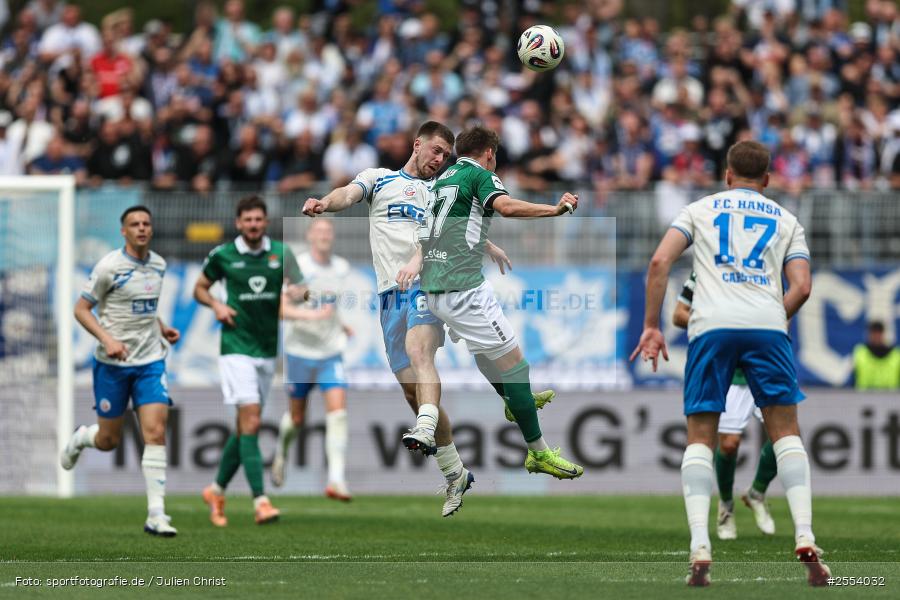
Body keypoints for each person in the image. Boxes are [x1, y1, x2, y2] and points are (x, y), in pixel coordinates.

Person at [301, 121, 550, 517]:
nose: (439, 160)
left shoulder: (440, 189)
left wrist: (487, 245)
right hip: (388, 296)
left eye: (445, 155)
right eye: (434, 150)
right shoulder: (380, 180)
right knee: (411, 391)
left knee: (422, 355)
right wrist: (323, 203)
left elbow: (452, 228)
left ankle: (426, 425)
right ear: (417, 145)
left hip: (427, 285)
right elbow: (347, 194)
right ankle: (454, 471)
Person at [630, 140, 830, 586]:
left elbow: (661, 259)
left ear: (726, 175)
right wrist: (775, 316)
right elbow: (802, 285)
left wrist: (651, 326)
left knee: (700, 438)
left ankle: (701, 543)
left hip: (711, 326)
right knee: (785, 433)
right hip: (766, 325)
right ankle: (804, 533)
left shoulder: (700, 209)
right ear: (767, 180)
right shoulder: (787, 220)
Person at [405, 125, 583, 481]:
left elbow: (435, 229)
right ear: (489, 153)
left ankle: (514, 401)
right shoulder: (478, 174)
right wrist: (555, 209)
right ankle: (539, 452)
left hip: (437, 289)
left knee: (488, 355)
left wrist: (486, 245)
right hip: (463, 290)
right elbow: (506, 206)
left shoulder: (444, 179)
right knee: (517, 366)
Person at [61, 205, 180, 537]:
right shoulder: (109, 267)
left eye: (146, 223)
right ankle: (83, 438)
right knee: (109, 440)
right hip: (112, 365)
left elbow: (145, 310)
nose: (141, 228)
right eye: (134, 224)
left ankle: (157, 514)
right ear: (123, 232)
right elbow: (81, 309)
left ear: (151, 230)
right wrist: (107, 338)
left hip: (150, 361)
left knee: (155, 433)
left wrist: (163, 327)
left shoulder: (158, 264)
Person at [194, 195, 304, 527]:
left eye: (259, 219)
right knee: (252, 422)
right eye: (248, 220)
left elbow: (301, 287)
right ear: (238, 223)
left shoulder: (281, 254)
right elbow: (200, 288)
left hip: (267, 349)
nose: (254, 225)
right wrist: (216, 306)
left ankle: (215, 490)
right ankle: (261, 501)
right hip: (235, 347)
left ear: (266, 222)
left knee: (244, 426)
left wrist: (300, 293)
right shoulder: (223, 255)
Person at [673, 271, 778, 540]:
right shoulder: (705, 269)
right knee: (729, 444)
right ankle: (727, 506)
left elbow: (786, 306)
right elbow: (679, 314)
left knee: (787, 439)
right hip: (731, 371)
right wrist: (715, 328)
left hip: (764, 364)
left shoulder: (762, 266)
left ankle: (757, 492)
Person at [273, 218, 354, 500]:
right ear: (309, 236)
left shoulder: (341, 268)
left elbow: (330, 304)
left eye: (328, 230)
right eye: (319, 230)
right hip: (299, 353)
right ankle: (281, 454)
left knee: (338, 413)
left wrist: (341, 324)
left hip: (330, 352)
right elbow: (281, 310)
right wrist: (312, 315)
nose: (324, 235)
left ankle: (336, 479)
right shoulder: (299, 268)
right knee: (297, 418)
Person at [852, 321, 900, 390]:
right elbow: (851, 379)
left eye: (879, 332)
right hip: (863, 398)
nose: (876, 336)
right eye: (874, 333)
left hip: (891, 399)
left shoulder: (896, 355)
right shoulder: (860, 353)